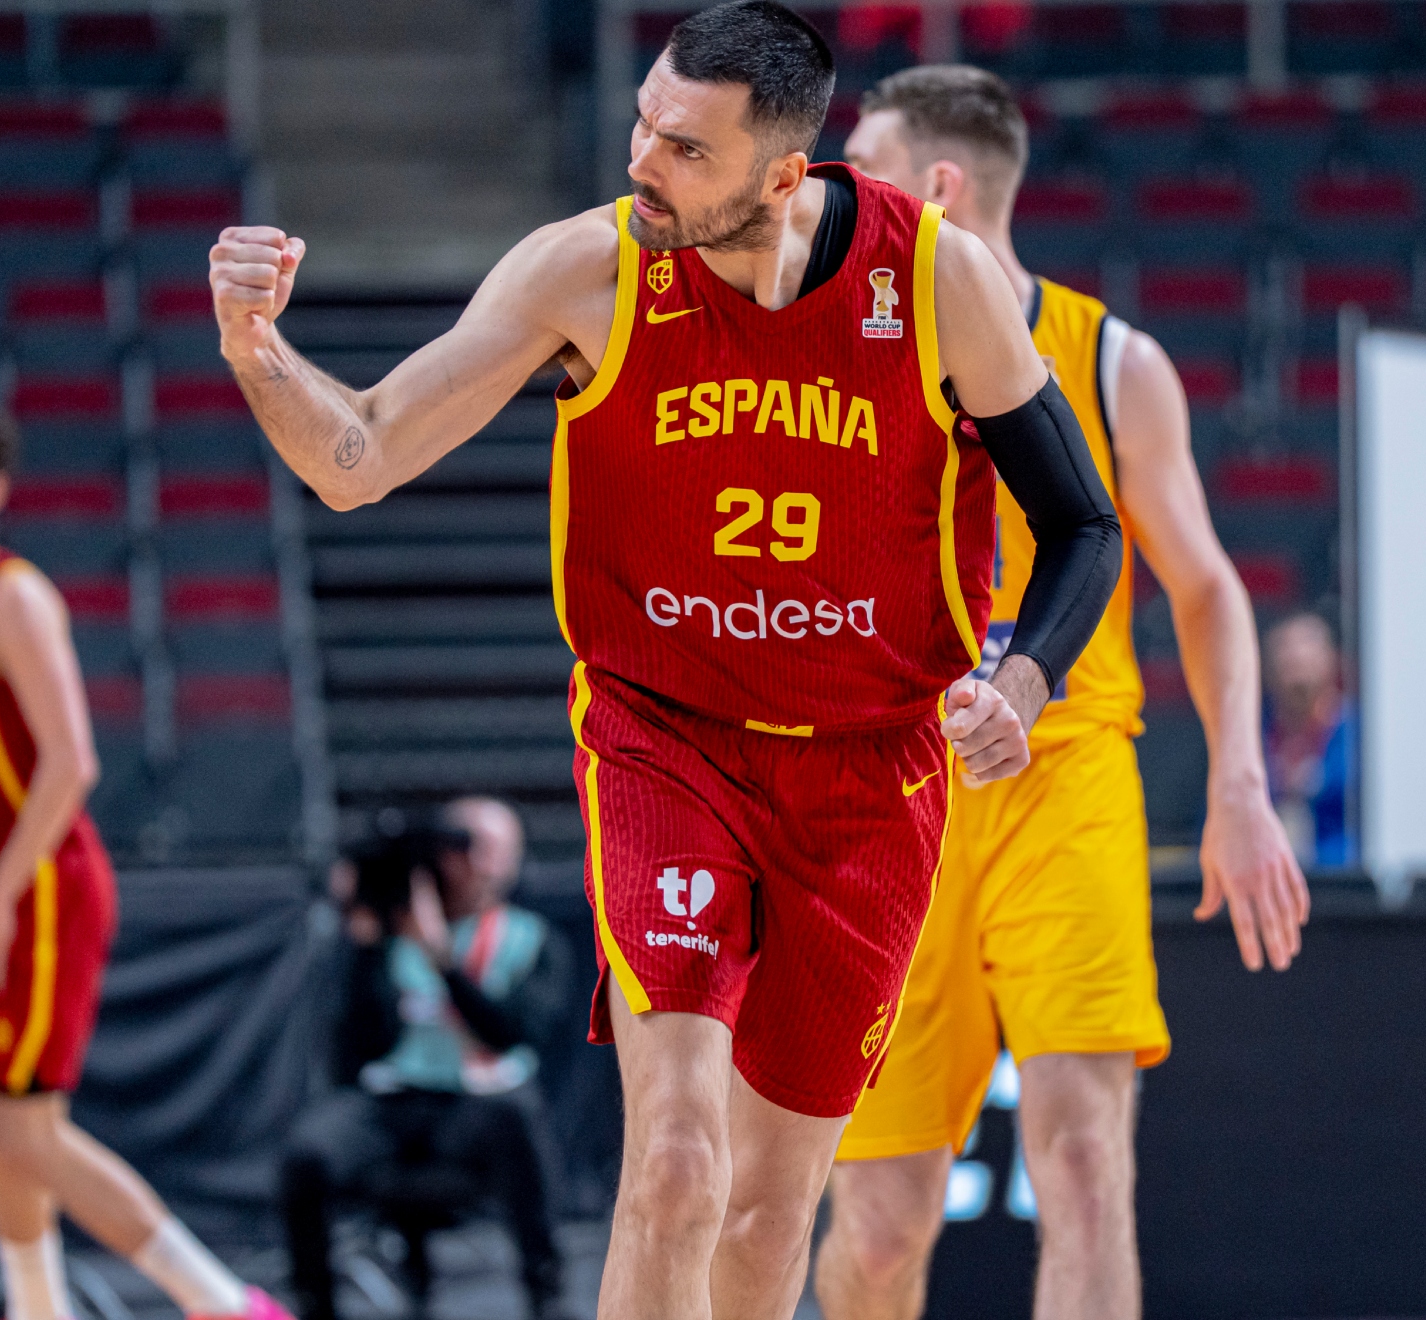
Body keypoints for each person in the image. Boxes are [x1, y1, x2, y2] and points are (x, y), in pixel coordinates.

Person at [209, 4, 1125, 1314]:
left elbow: (1082, 522)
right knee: (680, 1165)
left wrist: (1023, 680)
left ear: (784, 173)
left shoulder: (932, 281)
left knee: (768, 1213)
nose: (643, 159)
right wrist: (258, 350)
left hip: (870, 772)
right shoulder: (586, 268)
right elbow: (358, 455)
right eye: (643, 121)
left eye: (687, 148)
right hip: (667, 738)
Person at [816, 65, 1312, 1320]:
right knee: (879, 1227)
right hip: (888, 804)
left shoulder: (1112, 361)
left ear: (937, 185)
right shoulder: (834, 354)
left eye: (859, 163)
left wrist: (1241, 787)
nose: (831, 193)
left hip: (1065, 779)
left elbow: (1206, 591)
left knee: (1086, 1163)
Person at [0, 398, 294, 1320]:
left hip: (39, 879)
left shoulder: (12, 592)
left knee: (22, 1130)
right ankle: (40, 1307)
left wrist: (0, 893)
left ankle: (222, 1301)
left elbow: (71, 763)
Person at [281, 799, 569, 1320]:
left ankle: (546, 1296)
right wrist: (366, 940)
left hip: (478, 1103)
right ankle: (314, 1306)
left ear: (507, 862)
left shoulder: (529, 938)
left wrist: (442, 958)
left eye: (478, 849)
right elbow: (355, 1049)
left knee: (519, 1118)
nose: (460, 863)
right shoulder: (390, 935)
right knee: (308, 1152)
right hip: (394, 1099)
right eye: (453, 847)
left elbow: (510, 1035)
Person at [1262, 610, 1354, 868]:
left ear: (1333, 661)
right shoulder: (1248, 742)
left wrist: (1315, 783)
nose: (1295, 658)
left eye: (1306, 653)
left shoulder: (1361, 739)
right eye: (1285, 656)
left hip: (1346, 890)